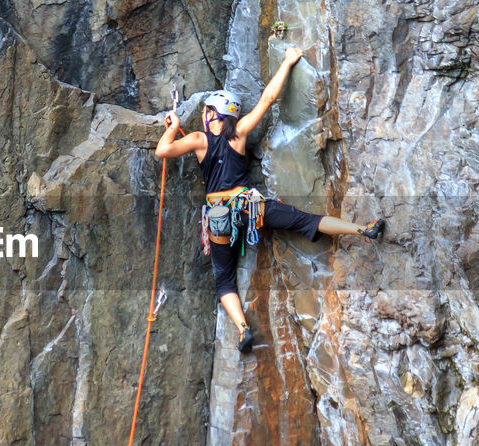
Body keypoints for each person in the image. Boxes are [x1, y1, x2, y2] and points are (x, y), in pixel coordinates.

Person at [154, 45, 385, 353]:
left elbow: (162, 151)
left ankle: (242, 330)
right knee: (306, 220)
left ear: (214, 114)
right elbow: (268, 99)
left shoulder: (199, 140)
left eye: (208, 111)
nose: (205, 116)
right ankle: (361, 229)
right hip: (251, 208)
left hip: (220, 217)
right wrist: (289, 61)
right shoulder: (239, 135)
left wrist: (171, 127)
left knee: (224, 280)